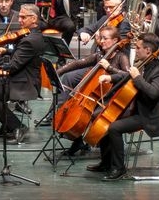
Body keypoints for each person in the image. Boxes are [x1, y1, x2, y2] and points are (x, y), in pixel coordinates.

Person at [90, 32, 159, 180]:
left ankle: (119, 168)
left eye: (138, 47)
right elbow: (126, 75)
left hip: (150, 116)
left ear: (148, 50)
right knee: (104, 118)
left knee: (114, 127)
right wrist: (110, 77)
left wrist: (137, 77)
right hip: (138, 110)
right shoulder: (144, 64)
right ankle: (106, 163)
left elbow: (153, 93)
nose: (135, 50)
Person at [54, 25, 130, 156]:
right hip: (99, 96)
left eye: (105, 38)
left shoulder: (121, 57)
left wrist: (109, 68)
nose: (101, 41)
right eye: (101, 38)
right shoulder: (100, 55)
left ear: (115, 40)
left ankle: (90, 142)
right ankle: (78, 141)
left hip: (113, 97)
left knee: (91, 114)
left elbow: (127, 76)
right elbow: (78, 63)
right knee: (76, 110)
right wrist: (58, 72)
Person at [0, 3, 46, 144]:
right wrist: (6, 50)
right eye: (19, 16)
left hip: (24, 83)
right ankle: (7, 124)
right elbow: (21, 54)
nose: (19, 20)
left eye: (23, 17)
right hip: (18, 78)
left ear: (34, 19)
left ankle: (18, 127)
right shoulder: (31, 34)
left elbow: (11, 67)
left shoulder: (31, 40)